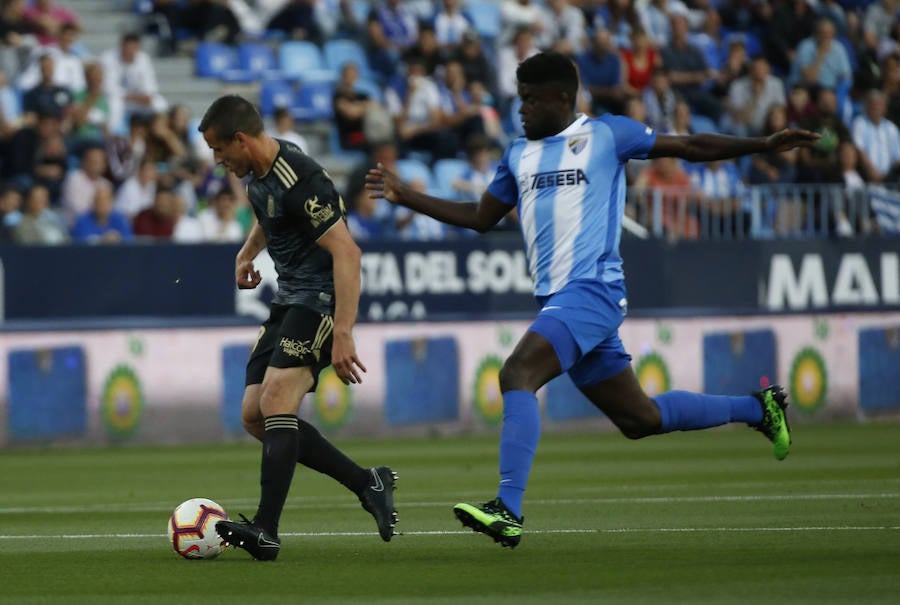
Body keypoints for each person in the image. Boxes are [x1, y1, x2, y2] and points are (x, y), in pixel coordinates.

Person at [365, 51, 817, 549]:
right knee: (638, 419)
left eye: (531, 100)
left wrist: (763, 144)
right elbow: (480, 216)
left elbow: (689, 144)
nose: (522, 110)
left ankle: (507, 508)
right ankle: (759, 408)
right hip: (559, 301)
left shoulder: (607, 135)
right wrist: (405, 196)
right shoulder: (518, 153)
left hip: (595, 290)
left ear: (562, 97)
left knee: (517, 373)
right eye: (520, 100)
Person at [197, 95, 398, 561]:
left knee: (275, 401)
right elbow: (272, 218)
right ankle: (367, 482)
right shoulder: (258, 176)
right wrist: (247, 251)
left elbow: (348, 253)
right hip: (289, 298)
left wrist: (343, 332)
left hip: (321, 300)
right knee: (253, 415)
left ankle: (266, 530)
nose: (216, 160)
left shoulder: (301, 179)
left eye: (218, 149)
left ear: (240, 140)